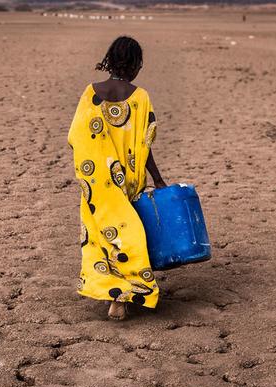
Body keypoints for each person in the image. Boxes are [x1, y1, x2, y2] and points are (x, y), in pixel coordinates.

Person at [67, 36, 167, 320]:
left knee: (101, 237)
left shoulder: (91, 93)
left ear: (111, 59)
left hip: (96, 183)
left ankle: (112, 293)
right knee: (129, 235)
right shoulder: (140, 97)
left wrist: (95, 166)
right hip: (127, 182)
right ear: (135, 64)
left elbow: (76, 137)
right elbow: (144, 145)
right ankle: (123, 297)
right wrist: (158, 180)